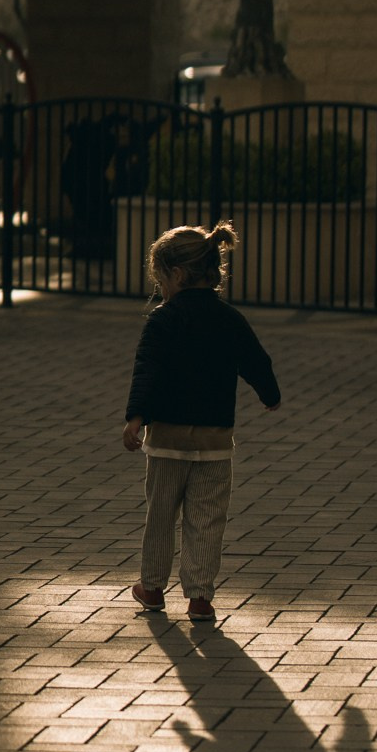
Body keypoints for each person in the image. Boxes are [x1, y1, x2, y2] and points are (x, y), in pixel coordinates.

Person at [121, 218, 280, 624]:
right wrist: (269, 395)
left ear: (175, 274)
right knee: (207, 518)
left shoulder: (163, 319)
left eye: (160, 278)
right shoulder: (230, 318)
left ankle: (152, 587)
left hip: (167, 438)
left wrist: (136, 418)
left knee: (161, 514)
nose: (160, 287)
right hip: (214, 440)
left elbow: (147, 369)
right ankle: (200, 597)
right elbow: (256, 361)